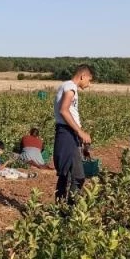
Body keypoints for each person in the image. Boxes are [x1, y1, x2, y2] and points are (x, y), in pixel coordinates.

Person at [53, 64, 94, 202]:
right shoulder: (70, 87)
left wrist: (80, 139)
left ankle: (59, 208)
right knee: (78, 177)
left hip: (68, 134)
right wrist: (80, 132)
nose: (89, 84)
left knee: (65, 175)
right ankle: (71, 209)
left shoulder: (67, 86)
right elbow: (64, 110)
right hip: (67, 133)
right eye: (89, 80)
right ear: (83, 76)